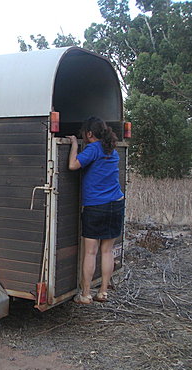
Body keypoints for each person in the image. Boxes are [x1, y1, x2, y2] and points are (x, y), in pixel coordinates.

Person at [66, 117, 125, 304]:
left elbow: (73, 165)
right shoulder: (111, 149)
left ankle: (85, 294)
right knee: (107, 251)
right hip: (116, 204)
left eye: (83, 134)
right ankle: (103, 292)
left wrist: (74, 144)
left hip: (96, 206)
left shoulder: (93, 148)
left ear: (89, 134)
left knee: (90, 252)